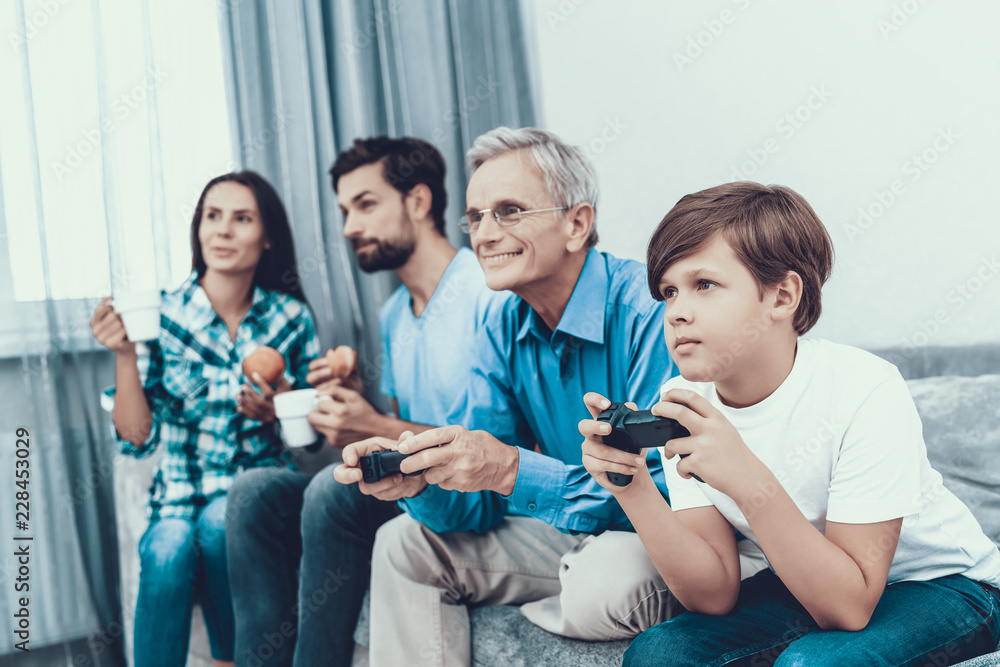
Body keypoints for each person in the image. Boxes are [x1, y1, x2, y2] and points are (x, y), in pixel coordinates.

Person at [335, 127, 737, 667]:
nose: (484, 234)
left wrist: (510, 472)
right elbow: (472, 504)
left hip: (656, 529)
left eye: (509, 211)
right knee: (404, 542)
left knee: (612, 576)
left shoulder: (650, 311)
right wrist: (423, 481)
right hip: (565, 527)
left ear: (577, 223)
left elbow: (668, 492)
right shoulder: (501, 326)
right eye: (475, 217)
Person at [578, 181, 1000, 665]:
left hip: (942, 584)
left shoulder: (865, 387)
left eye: (704, 285)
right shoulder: (687, 403)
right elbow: (712, 593)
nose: (676, 313)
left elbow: (850, 605)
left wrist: (746, 476)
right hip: (806, 575)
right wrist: (631, 487)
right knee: (659, 654)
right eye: (669, 292)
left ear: (782, 296)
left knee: (812, 664)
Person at [227, 136, 492, 667]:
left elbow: (491, 446)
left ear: (417, 202)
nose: (349, 227)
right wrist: (351, 408)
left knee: (332, 489)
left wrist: (372, 423)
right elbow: (399, 424)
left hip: (470, 493)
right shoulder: (395, 312)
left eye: (366, 205)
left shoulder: (485, 293)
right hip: (410, 483)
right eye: (345, 211)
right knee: (254, 491)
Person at [91, 171, 319, 667]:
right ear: (198, 229)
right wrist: (125, 356)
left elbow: (312, 434)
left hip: (257, 493)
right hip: (178, 496)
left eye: (241, 219)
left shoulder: (291, 318)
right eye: (212, 217)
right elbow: (134, 441)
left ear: (268, 237)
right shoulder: (161, 316)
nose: (222, 231)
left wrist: (276, 407)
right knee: (169, 547)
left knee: (222, 520)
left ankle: (229, 659)